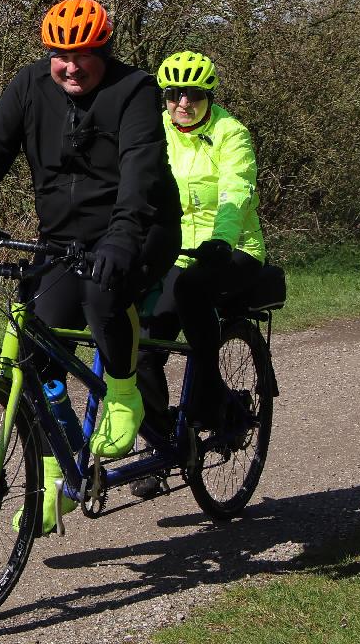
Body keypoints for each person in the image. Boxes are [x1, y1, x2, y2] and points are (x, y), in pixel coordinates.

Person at [0, 0, 181, 533]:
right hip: (63, 239)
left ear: (103, 50)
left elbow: (140, 173)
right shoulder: (31, 86)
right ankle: (58, 478)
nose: (71, 66)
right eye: (60, 54)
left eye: (83, 54)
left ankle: (124, 393)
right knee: (38, 351)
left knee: (103, 294)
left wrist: (123, 238)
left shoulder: (135, 92)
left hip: (142, 229)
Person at [134, 50, 266, 481]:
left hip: (231, 251)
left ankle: (211, 395)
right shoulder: (157, 134)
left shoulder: (231, 134)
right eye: (173, 95)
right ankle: (158, 442)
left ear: (209, 96)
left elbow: (236, 192)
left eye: (193, 95)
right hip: (174, 252)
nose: (183, 104)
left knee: (191, 289)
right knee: (143, 344)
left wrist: (222, 241)